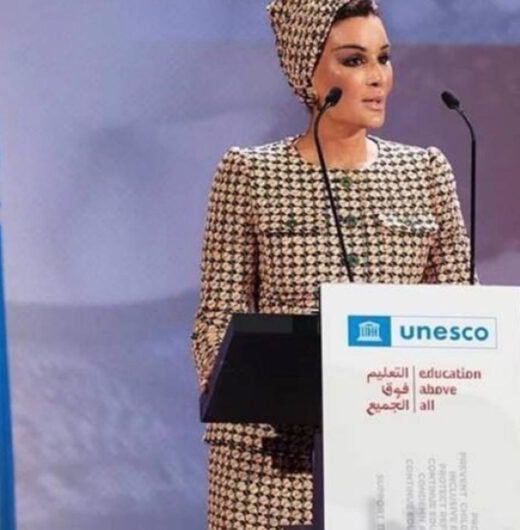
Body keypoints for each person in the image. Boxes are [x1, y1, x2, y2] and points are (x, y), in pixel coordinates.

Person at [190, 0, 472, 528]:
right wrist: (237, 381)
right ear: (308, 72)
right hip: (269, 465)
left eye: (383, 57)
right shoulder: (250, 174)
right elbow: (216, 318)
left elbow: (464, 314)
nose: (377, 77)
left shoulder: (426, 172)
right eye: (354, 60)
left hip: (393, 455)